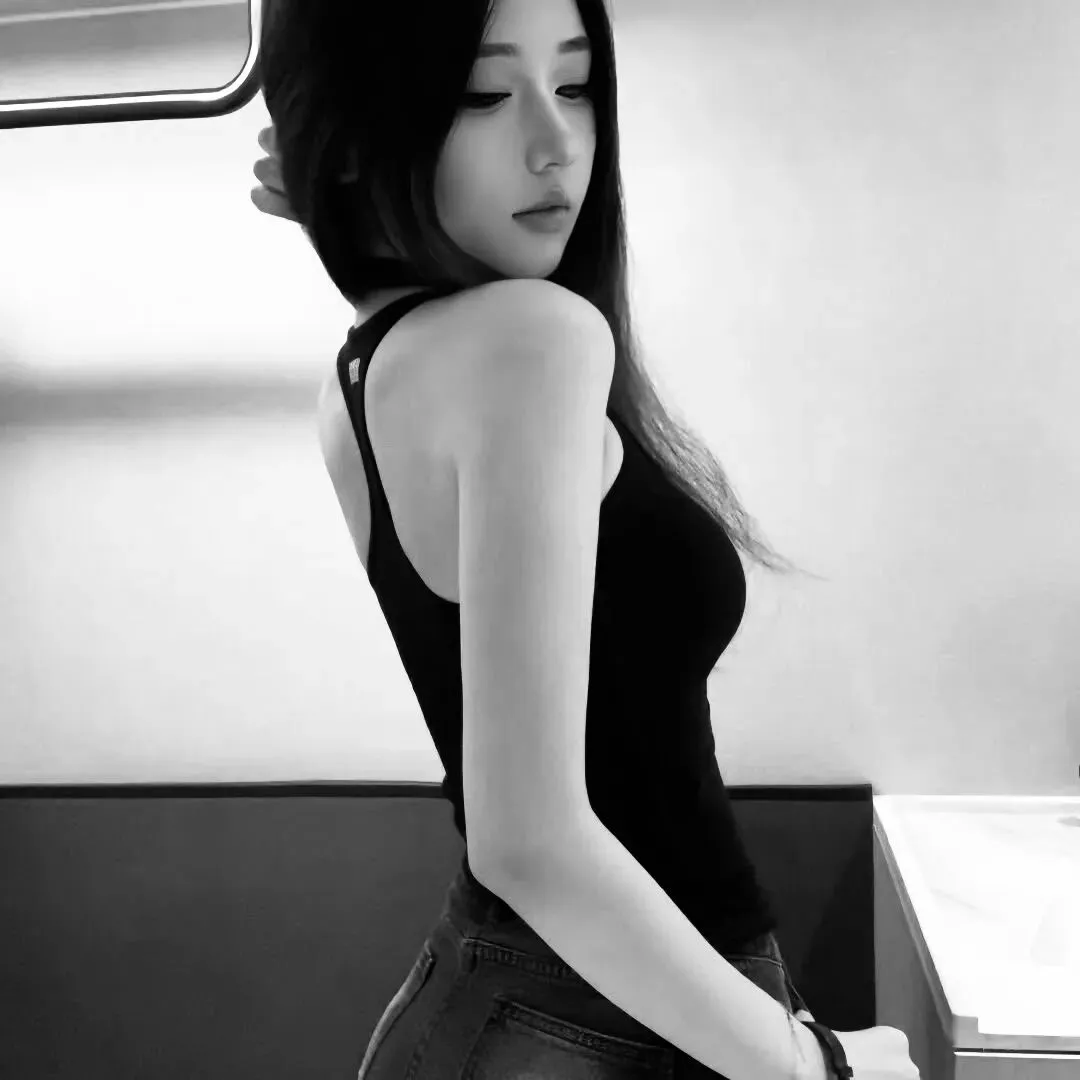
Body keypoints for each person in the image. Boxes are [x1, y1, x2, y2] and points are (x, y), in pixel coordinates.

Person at [251, 1, 920, 1077]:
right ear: (364, 126)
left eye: (573, 86)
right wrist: (818, 1068)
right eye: (482, 94)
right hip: (600, 1024)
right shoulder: (534, 341)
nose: (555, 141)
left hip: (524, 1007)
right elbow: (530, 838)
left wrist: (360, 200)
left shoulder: (366, 374)